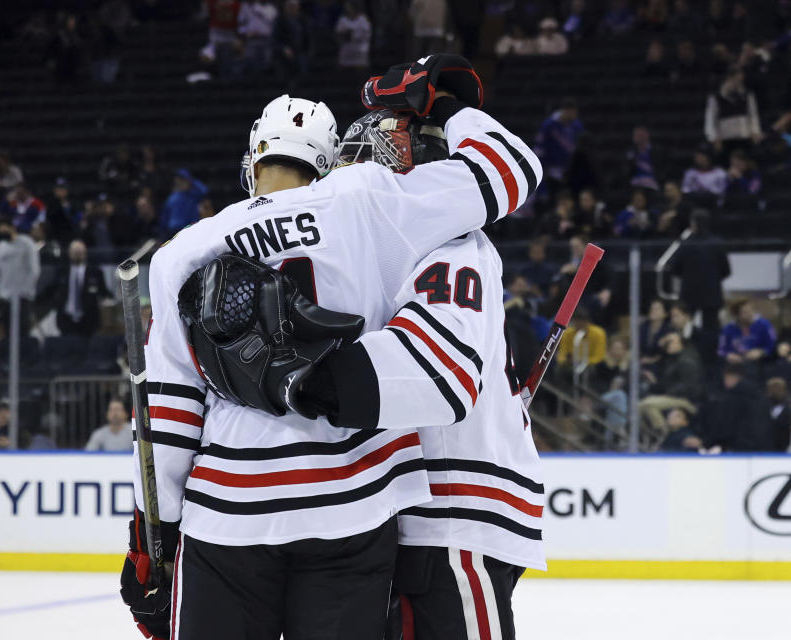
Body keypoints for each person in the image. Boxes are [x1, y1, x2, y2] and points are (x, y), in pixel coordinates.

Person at [120, 57, 543, 640]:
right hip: (352, 505)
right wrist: (447, 107)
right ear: (329, 159)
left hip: (228, 515)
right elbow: (511, 169)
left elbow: (167, 421)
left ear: (254, 158)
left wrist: (151, 542)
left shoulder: (183, 250)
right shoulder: (367, 200)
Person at [670, 209, 729, 340]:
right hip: (711, 294)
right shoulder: (717, 243)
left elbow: (674, 269)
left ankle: (685, 350)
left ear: (693, 224)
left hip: (690, 294)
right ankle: (711, 355)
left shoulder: (686, 244)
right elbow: (726, 270)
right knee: (712, 328)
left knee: (685, 326)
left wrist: (689, 277)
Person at [638, 332, 702, 434]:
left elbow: (690, 386)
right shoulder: (672, 359)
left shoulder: (687, 360)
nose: (668, 344)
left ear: (681, 344)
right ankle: (648, 438)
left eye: (671, 342)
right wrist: (653, 384)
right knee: (639, 406)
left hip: (686, 399)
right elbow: (667, 382)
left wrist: (668, 393)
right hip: (672, 396)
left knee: (648, 404)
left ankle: (664, 436)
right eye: (667, 342)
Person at [699, 363, 772, 452]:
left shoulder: (733, 398)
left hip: (739, 447)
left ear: (731, 377)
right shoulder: (761, 396)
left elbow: (726, 426)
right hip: (763, 447)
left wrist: (707, 443)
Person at [0, 217, 40, 334]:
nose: (3, 234)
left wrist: (25, 291)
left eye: (5, 231)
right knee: (7, 331)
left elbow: (34, 270)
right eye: (0, 231)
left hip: (23, 296)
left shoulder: (26, 242)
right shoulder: (0, 246)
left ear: (12, 228)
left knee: (23, 330)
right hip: (5, 297)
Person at [54, 239, 109, 336]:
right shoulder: (61, 271)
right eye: (75, 252)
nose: (78, 255)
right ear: (69, 253)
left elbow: (104, 291)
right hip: (66, 319)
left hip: (89, 319)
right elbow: (52, 290)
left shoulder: (95, 272)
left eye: (80, 252)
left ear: (85, 253)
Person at [704, 67, 762, 157]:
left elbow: (753, 115)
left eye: (740, 81)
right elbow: (710, 119)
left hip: (744, 137)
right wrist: (714, 138)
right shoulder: (715, 97)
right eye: (736, 80)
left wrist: (755, 131)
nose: (738, 83)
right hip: (725, 138)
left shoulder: (747, 95)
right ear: (729, 78)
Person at [534, 97, 583, 193]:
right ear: (565, 111)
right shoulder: (549, 125)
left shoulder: (577, 126)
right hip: (551, 170)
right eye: (572, 113)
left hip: (569, 170)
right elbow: (540, 147)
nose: (574, 115)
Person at [718, 298, 777, 363]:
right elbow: (721, 350)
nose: (749, 315)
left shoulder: (764, 325)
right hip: (735, 366)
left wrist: (761, 352)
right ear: (736, 314)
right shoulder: (728, 329)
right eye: (744, 312)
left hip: (760, 365)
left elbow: (772, 345)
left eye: (751, 311)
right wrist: (728, 355)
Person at [159, 169, 210, 236]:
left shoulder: (194, 195)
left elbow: (204, 191)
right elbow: (165, 215)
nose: (180, 182)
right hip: (172, 233)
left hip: (190, 230)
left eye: (182, 179)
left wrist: (191, 183)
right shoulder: (172, 197)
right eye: (178, 179)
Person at [335, 1, 371, 69]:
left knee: (360, 69)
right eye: (347, 7)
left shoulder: (363, 19)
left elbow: (367, 34)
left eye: (349, 7)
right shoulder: (343, 19)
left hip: (360, 49)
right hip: (346, 48)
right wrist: (345, 35)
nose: (348, 9)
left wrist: (353, 34)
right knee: (344, 67)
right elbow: (338, 33)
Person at [766, 377, 791, 452]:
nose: (776, 391)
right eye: (773, 388)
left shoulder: (789, 410)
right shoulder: (761, 408)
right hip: (764, 450)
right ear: (768, 390)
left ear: (784, 391)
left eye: (778, 388)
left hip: (783, 450)